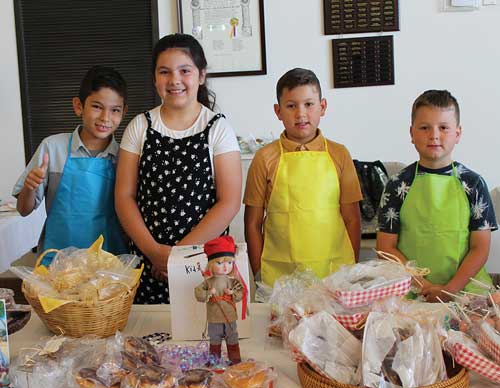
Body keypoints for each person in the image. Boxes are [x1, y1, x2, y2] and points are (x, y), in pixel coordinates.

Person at [115, 33, 241, 304]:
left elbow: (229, 202)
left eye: (185, 70)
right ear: (155, 78)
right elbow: (124, 197)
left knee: (208, 333)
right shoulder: (140, 126)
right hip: (148, 262)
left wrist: (177, 256)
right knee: (147, 340)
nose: (175, 80)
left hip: (206, 262)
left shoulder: (218, 128)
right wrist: (154, 253)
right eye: (165, 72)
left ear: (201, 75)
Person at [243, 68, 362, 287]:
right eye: (291, 106)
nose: (300, 114)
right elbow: (252, 223)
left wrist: (350, 270)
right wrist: (260, 271)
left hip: (334, 274)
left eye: (309, 104)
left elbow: (352, 219)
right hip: (280, 278)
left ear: (322, 107)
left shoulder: (340, 154)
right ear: (278, 111)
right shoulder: (264, 159)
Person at [377, 89, 498, 302]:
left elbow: (480, 247)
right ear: (412, 133)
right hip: (411, 294)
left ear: (457, 133)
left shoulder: (474, 184)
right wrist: (423, 286)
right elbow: (386, 247)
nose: (434, 135)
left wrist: (451, 289)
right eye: (424, 128)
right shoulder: (397, 185)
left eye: (443, 127)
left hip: (467, 292)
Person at [13, 65, 128, 265]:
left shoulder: (124, 157)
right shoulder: (52, 148)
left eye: (115, 110)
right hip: (58, 263)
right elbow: (23, 209)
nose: (105, 118)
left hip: (109, 267)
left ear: (123, 112)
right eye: (97, 107)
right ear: (78, 106)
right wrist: (29, 188)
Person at [194, 235, 245, 365]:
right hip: (214, 318)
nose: (225, 267)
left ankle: (235, 360)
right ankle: (214, 360)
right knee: (215, 339)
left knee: (232, 337)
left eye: (229, 262)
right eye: (220, 263)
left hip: (229, 316)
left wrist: (232, 293)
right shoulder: (208, 282)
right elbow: (198, 293)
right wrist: (208, 293)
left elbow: (241, 292)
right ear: (211, 263)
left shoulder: (232, 281)